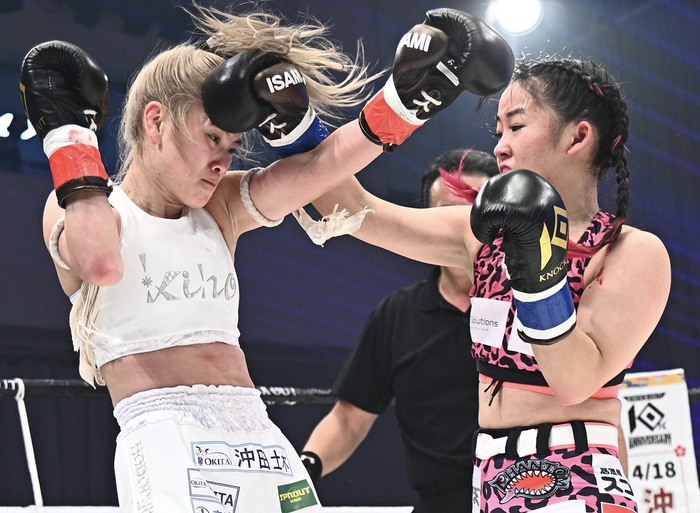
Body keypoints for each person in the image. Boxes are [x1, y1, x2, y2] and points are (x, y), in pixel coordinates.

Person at [19, 4, 514, 512]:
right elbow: (102, 263)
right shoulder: (84, 205)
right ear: (156, 121)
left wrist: (406, 102)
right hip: (168, 437)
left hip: (259, 435)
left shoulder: (220, 208)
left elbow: (318, 171)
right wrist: (70, 136)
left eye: (232, 146)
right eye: (213, 138)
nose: (222, 161)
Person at [311, 56, 671, 512]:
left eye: (516, 127)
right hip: (489, 482)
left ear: (578, 137)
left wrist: (537, 267)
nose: (500, 148)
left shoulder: (629, 252)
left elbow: (574, 381)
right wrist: (370, 112)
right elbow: (348, 206)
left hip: (576, 480)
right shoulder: (479, 235)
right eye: (498, 131)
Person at [300, 149, 498, 512]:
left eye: (473, 214)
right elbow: (349, 418)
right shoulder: (398, 315)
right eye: (446, 215)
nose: (461, 228)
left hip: (524, 495)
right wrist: (304, 471)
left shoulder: (530, 308)